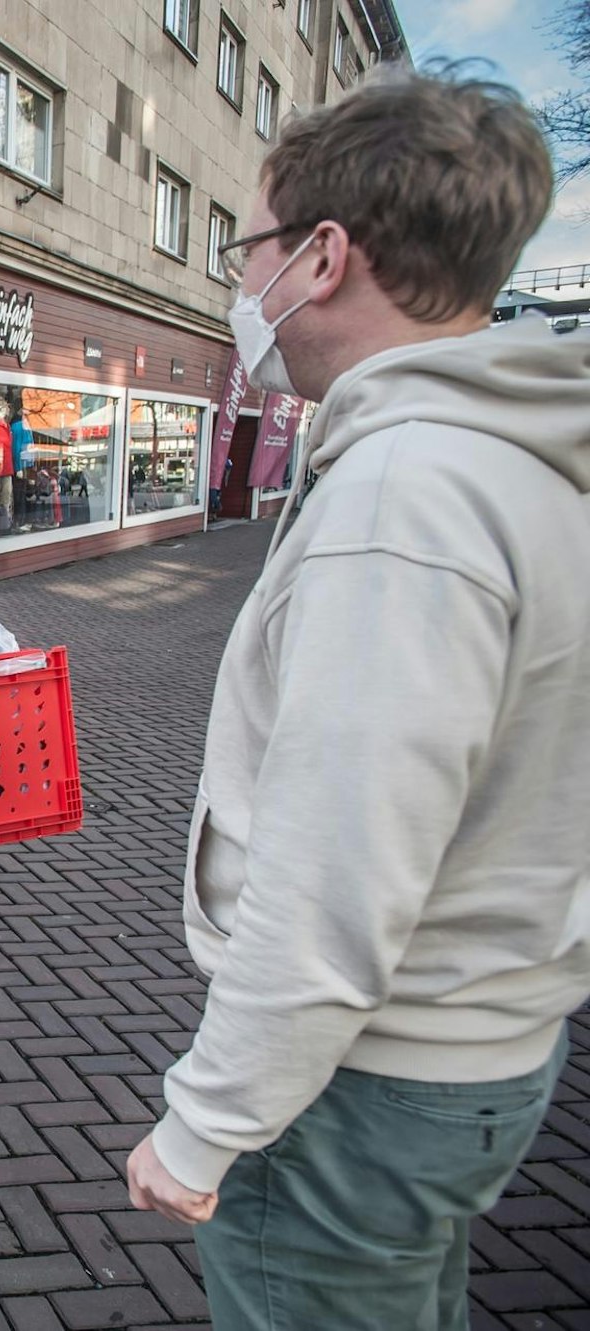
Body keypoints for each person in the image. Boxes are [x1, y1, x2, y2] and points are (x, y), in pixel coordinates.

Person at [125, 69, 590, 1330]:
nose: (240, 286)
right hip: (475, 1044)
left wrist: (205, 1120)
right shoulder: (525, 468)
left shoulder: (401, 498)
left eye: (247, 249)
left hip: (358, 1085)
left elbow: (332, 875)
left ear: (321, 258)